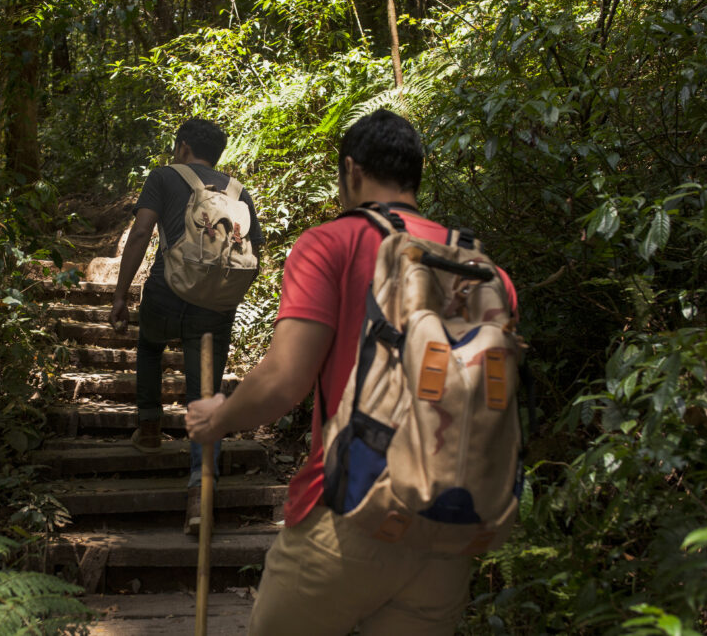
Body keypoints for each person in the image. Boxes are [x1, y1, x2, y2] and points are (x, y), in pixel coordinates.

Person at [186, 109, 518, 635]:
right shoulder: (481, 270)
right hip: (449, 532)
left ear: (351, 172)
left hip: (349, 513)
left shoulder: (331, 243)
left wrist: (219, 418)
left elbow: (284, 381)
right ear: (415, 175)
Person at [110, 118, 264, 535]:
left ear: (182, 148)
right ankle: (200, 494)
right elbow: (256, 251)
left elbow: (142, 231)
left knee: (149, 346)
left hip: (167, 289)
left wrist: (121, 295)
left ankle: (149, 428)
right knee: (204, 392)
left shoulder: (163, 176)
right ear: (217, 153)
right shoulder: (237, 191)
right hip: (214, 303)